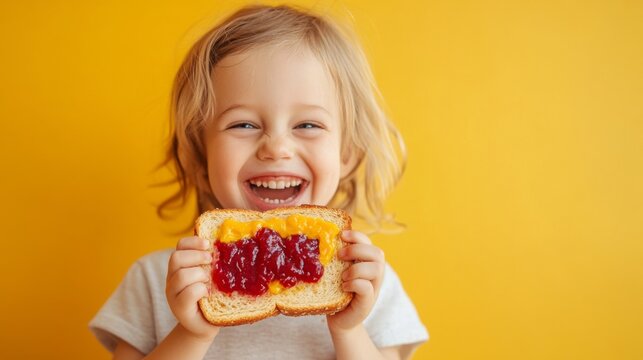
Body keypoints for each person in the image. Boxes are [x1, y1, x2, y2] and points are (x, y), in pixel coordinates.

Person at [90, 4, 428, 360]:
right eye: (244, 125)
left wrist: (348, 329)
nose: (277, 148)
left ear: (347, 155)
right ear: (203, 156)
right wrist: (192, 333)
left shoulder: (369, 282)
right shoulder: (153, 281)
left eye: (307, 125)